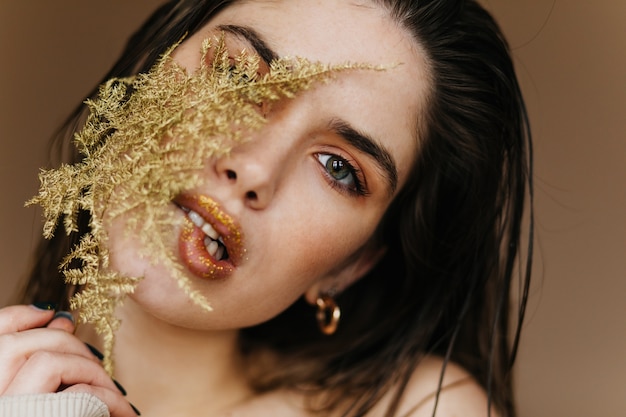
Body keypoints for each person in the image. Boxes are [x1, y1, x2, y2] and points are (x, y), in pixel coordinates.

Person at [0, 0, 533, 416]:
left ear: (352, 264)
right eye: (233, 75)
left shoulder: (421, 408)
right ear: (143, 74)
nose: (253, 171)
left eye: (338, 168)